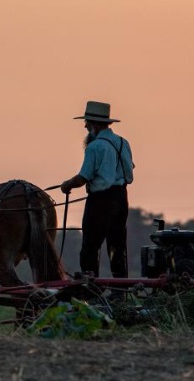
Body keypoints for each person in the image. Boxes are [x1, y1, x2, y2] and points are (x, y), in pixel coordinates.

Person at [61, 100, 134, 279]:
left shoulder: (94, 147)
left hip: (100, 201)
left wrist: (66, 185)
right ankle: (120, 292)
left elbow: (83, 177)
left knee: (90, 248)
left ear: (94, 125)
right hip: (121, 198)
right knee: (117, 247)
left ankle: (91, 289)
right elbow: (130, 167)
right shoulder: (123, 143)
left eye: (87, 122)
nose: (85, 126)